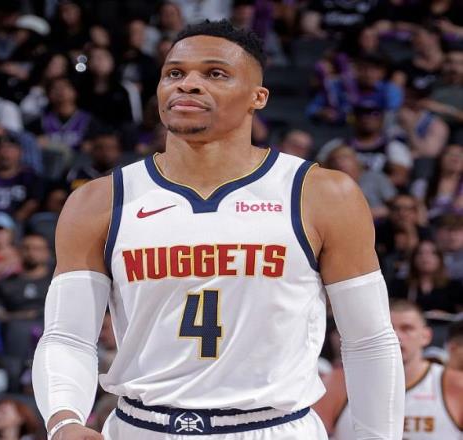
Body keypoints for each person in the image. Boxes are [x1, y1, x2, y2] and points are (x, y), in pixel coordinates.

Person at [32, 20, 404, 440]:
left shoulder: (320, 193)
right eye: (174, 72)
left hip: (273, 428)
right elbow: (68, 336)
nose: (188, 84)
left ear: (258, 97)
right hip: (141, 427)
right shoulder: (99, 200)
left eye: (215, 73)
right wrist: (63, 420)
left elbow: (369, 340)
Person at [313, 299, 463, 439]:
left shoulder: (454, 385)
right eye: (388, 329)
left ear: (426, 336)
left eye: (407, 328)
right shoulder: (339, 384)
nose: (396, 336)